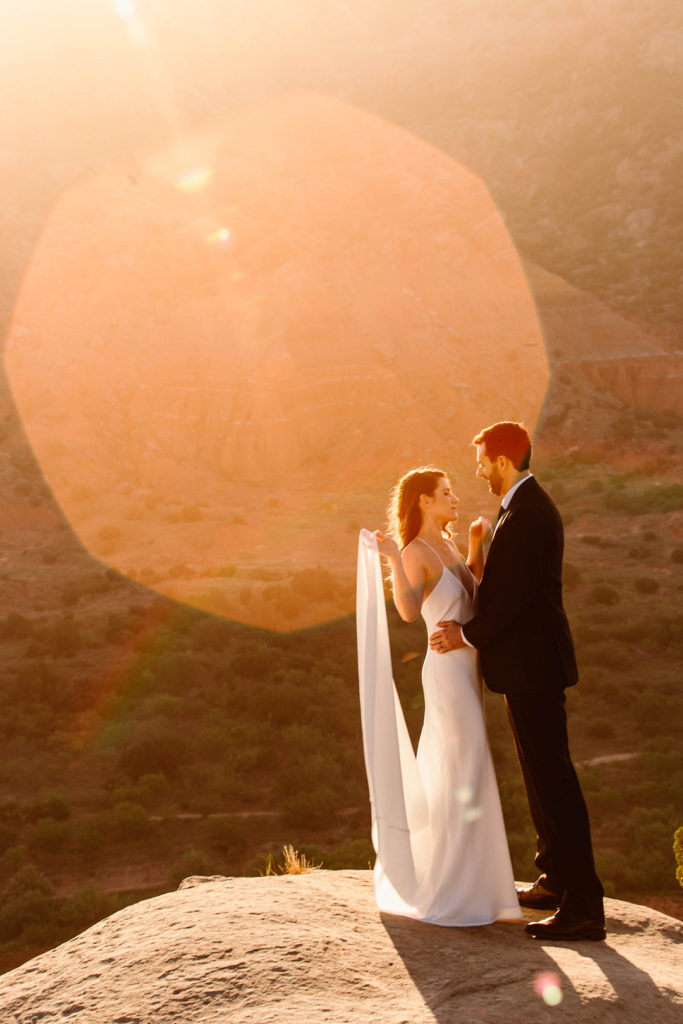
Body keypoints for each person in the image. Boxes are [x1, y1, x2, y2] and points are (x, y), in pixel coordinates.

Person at [428, 422, 605, 941]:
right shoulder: (519, 508)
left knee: (555, 782)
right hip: (527, 666)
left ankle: (584, 908)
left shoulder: (527, 513)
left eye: (482, 461)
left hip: (535, 667)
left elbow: (512, 599)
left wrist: (466, 634)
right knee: (538, 775)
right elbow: (507, 587)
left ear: (503, 461)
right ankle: (553, 876)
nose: (479, 471)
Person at [356, 467, 521, 926]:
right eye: (445, 493)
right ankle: (452, 886)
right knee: (461, 767)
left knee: (469, 767)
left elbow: (473, 591)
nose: (455, 497)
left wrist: (473, 546)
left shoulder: (447, 545)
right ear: (423, 501)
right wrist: (392, 557)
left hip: (469, 669)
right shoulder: (416, 551)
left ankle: (476, 883)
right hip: (447, 671)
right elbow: (409, 613)